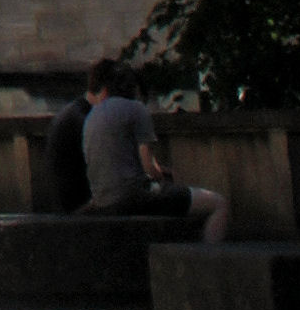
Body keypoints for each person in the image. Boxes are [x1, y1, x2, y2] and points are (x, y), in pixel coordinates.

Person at [80, 59, 226, 246]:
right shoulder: (136, 109)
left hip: (103, 200)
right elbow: (148, 165)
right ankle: (208, 262)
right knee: (218, 204)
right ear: (134, 90)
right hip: (133, 197)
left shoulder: (92, 116)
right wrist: (163, 175)